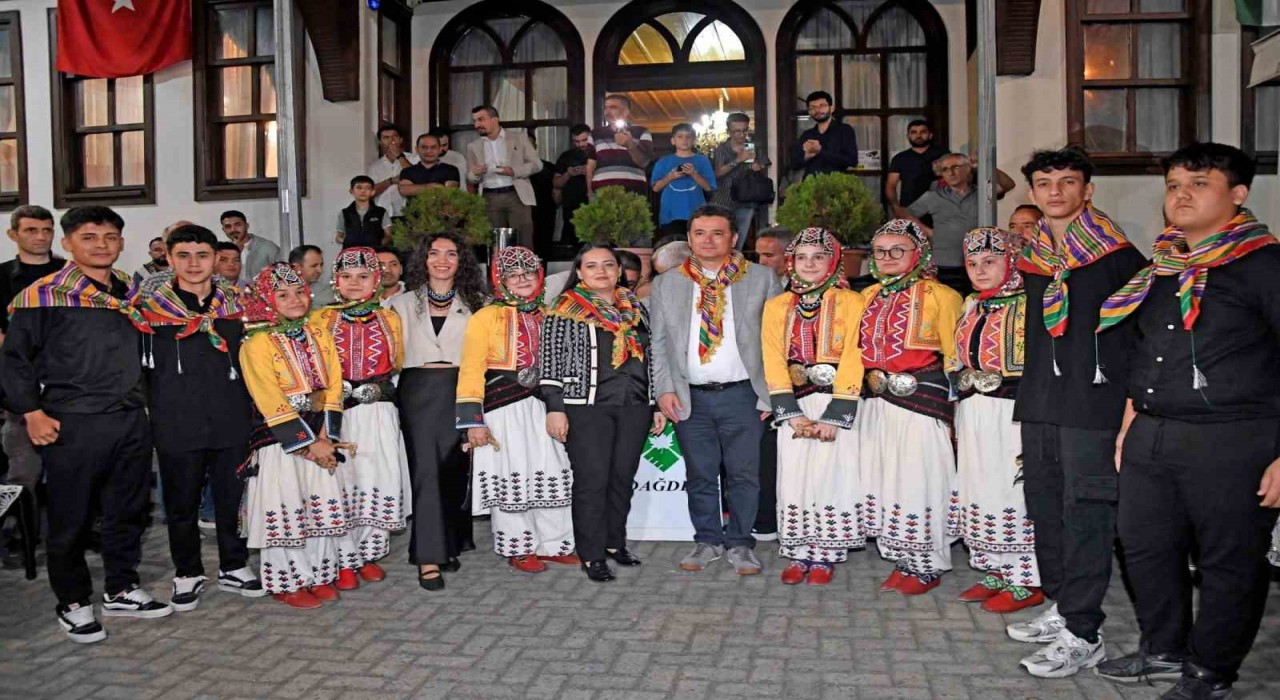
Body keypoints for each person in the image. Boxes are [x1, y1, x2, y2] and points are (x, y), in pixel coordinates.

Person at [1092, 143, 1280, 698]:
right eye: (1174, 184)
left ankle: (1209, 673)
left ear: (1238, 195)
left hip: (1234, 439)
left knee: (1229, 561)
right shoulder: (1163, 267)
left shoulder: (1265, 266)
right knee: (1145, 547)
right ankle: (1165, 649)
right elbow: (1146, 352)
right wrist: (1129, 427)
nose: (1182, 194)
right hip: (1152, 433)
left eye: (1199, 184)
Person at [3, 206, 173, 643]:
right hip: (71, 423)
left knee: (127, 511)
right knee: (70, 518)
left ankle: (120, 587)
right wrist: (32, 412)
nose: (102, 245)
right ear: (67, 244)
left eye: (110, 237)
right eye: (90, 237)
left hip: (131, 419)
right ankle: (73, 602)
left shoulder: (130, 293)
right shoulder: (44, 295)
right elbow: (15, 360)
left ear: (121, 242)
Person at [1006, 147, 1146, 678]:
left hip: (1094, 404)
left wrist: (1131, 411)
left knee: (1086, 513)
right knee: (1046, 506)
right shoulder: (1035, 256)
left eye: (1068, 182)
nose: (1056, 191)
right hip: (1041, 397)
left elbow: (1137, 337)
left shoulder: (1118, 258)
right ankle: (1063, 607)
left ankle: (1085, 633)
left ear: (1088, 190)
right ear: (1034, 194)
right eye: (1045, 183)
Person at [649, 204, 783, 575]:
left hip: (744, 395)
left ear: (734, 238)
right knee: (701, 474)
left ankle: (741, 543)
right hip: (690, 396)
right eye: (700, 233)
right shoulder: (667, 283)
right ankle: (706, 540)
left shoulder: (761, 279)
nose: (708, 240)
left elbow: (776, 343)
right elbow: (658, 343)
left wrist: (771, 394)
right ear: (689, 238)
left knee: (744, 475)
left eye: (717, 233)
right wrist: (663, 390)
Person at [137, 224, 263, 611]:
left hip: (231, 418)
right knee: (181, 503)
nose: (194, 264)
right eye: (184, 256)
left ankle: (234, 564)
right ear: (170, 258)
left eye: (202, 255)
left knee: (232, 498)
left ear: (215, 259)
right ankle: (187, 571)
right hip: (176, 420)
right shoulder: (150, 309)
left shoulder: (237, 305)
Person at [541, 244, 665, 582]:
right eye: (591, 265)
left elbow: (649, 358)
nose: (601, 271)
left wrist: (652, 402)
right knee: (592, 481)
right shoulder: (564, 308)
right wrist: (555, 408)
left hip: (634, 406)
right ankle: (591, 554)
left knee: (621, 478)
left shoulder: (635, 307)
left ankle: (614, 542)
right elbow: (550, 362)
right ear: (579, 272)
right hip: (585, 408)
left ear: (619, 270)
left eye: (608, 265)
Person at [857, 219, 963, 596]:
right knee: (886, 480)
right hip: (876, 404)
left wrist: (956, 416)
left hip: (923, 402)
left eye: (898, 249)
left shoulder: (942, 296)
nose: (887, 257)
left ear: (920, 254)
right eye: (881, 250)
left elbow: (956, 358)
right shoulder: (867, 295)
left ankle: (928, 562)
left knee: (921, 480)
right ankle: (902, 557)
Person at [456, 246, 578, 573]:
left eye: (529, 273)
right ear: (501, 279)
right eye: (513, 274)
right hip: (501, 407)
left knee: (552, 470)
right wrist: (473, 421)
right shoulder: (485, 316)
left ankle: (555, 544)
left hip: (543, 405)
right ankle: (519, 546)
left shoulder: (551, 312)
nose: (522, 279)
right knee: (510, 473)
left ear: (539, 276)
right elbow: (470, 369)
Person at [239, 262, 349, 609]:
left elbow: (334, 383)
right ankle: (287, 581)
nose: (295, 300)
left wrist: (327, 433)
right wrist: (309, 442)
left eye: (300, 291)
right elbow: (268, 397)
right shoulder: (255, 343)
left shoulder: (318, 333)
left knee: (318, 505)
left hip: (319, 429)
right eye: (283, 295)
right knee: (285, 506)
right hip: (279, 438)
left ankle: (319, 574)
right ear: (267, 300)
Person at [760, 227, 865, 585]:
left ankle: (826, 553)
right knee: (795, 477)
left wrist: (836, 415)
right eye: (801, 257)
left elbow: (855, 355)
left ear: (833, 261)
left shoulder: (853, 302)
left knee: (831, 475)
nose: (809, 264)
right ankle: (799, 550)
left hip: (836, 399)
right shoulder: (777, 306)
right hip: (796, 403)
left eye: (818, 257)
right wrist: (790, 414)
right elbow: (772, 358)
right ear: (790, 262)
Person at [949, 227, 1042, 614]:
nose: (980, 270)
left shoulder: (1033, 301)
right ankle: (996, 568)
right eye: (972, 263)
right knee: (980, 484)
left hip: (1014, 413)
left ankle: (1029, 578)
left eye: (990, 261)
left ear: (1011, 260)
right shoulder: (973, 304)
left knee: (1013, 490)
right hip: (975, 409)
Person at [387, 233, 487, 590]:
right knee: (426, 472)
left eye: (451, 254)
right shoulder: (398, 304)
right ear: (422, 259)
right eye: (434, 253)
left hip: (464, 390)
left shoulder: (480, 304)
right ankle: (428, 556)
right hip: (419, 393)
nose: (442, 260)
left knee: (455, 470)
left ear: (462, 261)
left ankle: (451, 541)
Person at [313, 247, 410, 590]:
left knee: (375, 476)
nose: (354, 283)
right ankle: (341, 559)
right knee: (339, 481)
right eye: (347, 276)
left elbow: (396, 362)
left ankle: (367, 553)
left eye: (363, 276)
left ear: (377, 280)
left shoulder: (390, 318)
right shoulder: (320, 319)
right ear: (335, 280)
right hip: (335, 413)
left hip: (378, 410)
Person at [0, 205, 62, 500]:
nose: (41, 237)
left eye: (47, 230)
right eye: (31, 230)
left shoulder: (70, 275)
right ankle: (19, 534)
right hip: (19, 389)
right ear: (13, 234)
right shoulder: (1, 277)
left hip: (70, 385)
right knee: (23, 469)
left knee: (76, 469)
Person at [906, 153, 1016, 297]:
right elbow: (906, 215)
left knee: (976, 305)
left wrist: (985, 165)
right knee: (947, 305)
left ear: (968, 169)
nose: (951, 172)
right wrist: (927, 231)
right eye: (945, 169)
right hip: (945, 264)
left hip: (980, 263)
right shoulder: (933, 196)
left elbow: (1009, 185)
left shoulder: (982, 193)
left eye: (955, 167)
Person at [465, 106, 542, 248]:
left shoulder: (518, 138)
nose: (477, 125)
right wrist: (475, 173)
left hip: (516, 195)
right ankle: (497, 271)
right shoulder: (473, 146)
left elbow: (537, 164)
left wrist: (513, 171)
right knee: (496, 244)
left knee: (523, 242)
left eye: (481, 119)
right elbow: (470, 177)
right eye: (474, 121)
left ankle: (525, 270)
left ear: (495, 119)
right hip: (489, 198)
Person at [652, 123, 717, 240]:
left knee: (696, 250)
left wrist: (693, 173)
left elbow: (709, 187)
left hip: (697, 214)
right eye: (680, 136)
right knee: (673, 250)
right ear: (673, 140)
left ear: (694, 140)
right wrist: (670, 177)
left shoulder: (702, 160)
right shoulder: (663, 161)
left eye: (688, 136)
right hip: (670, 214)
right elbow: (656, 188)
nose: (684, 140)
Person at [712, 112, 769, 244]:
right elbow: (718, 173)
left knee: (739, 239)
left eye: (744, 130)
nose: (742, 135)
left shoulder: (754, 146)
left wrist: (758, 165)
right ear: (729, 132)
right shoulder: (722, 149)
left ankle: (735, 264)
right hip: (723, 199)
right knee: (721, 238)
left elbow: (765, 163)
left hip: (747, 198)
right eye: (737, 131)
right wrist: (738, 160)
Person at [588, 94, 655, 202]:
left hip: (633, 192)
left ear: (626, 112)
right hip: (601, 191)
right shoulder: (595, 134)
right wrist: (589, 192)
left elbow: (644, 162)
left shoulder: (641, 131)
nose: (607, 111)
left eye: (613, 107)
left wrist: (630, 144)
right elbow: (590, 166)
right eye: (606, 107)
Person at [886, 119, 947, 218]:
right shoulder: (900, 158)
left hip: (939, 209)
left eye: (923, 132)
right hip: (909, 210)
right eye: (914, 132)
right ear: (908, 136)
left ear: (930, 135)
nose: (918, 135)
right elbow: (891, 185)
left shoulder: (943, 155)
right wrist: (895, 207)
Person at [790, 91, 858, 179]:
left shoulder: (844, 130)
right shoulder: (807, 135)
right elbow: (794, 165)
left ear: (831, 108)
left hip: (836, 186)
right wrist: (807, 156)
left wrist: (820, 151)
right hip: (810, 187)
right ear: (809, 112)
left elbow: (852, 161)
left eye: (822, 106)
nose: (817, 110)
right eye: (813, 107)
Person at [553, 124, 594, 244]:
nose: (581, 144)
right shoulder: (566, 156)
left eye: (584, 140)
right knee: (571, 246)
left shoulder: (599, 154)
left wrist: (590, 171)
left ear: (591, 137)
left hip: (594, 207)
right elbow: (556, 184)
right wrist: (568, 174)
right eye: (577, 141)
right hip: (571, 210)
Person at [368, 123, 418, 218]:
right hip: (383, 215)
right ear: (380, 142)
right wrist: (391, 181)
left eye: (394, 137)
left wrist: (399, 156)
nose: (391, 141)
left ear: (401, 140)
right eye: (386, 138)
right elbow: (370, 191)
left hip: (408, 214)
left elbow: (416, 177)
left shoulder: (414, 158)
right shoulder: (375, 166)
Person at [526, 130, 559, 258]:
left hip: (545, 212)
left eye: (531, 145)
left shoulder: (548, 167)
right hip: (523, 212)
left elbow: (556, 191)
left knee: (544, 250)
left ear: (535, 146)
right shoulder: (512, 170)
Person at [221, 210, 280, 281]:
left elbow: (282, 275)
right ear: (223, 230)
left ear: (247, 226)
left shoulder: (268, 247)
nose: (233, 229)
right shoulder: (221, 251)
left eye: (237, 225)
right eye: (228, 226)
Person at [335, 175, 391, 248]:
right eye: (359, 187)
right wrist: (348, 242)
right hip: (351, 254)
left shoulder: (381, 212)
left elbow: (389, 236)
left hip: (375, 253)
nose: (363, 191)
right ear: (351, 191)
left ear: (372, 192)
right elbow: (338, 237)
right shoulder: (344, 213)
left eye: (367, 188)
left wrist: (377, 244)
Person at [398, 133, 461, 198]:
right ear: (417, 149)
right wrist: (435, 187)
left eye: (433, 147)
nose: (428, 151)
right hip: (415, 208)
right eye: (424, 147)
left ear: (439, 149)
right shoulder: (407, 171)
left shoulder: (451, 170)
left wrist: (417, 188)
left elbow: (449, 192)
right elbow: (405, 190)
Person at [289, 245, 334, 309]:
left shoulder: (329, 292)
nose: (320, 270)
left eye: (321, 265)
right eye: (314, 266)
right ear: (296, 267)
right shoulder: (284, 295)